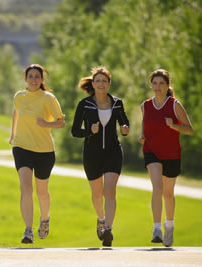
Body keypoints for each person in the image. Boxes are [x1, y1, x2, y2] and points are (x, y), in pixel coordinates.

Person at [71, 66, 129, 247]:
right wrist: (89, 131)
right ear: (93, 84)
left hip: (113, 151)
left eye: (104, 81)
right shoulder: (84, 104)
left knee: (109, 191)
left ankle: (108, 230)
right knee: (97, 194)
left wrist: (125, 128)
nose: (101, 84)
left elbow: (124, 120)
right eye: (98, 81)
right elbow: (74, 131)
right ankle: (101, 219)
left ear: (109, 83)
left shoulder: (117, 103)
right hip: (92, 153)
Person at [9, 64, 65, 244]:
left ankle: (45, 218)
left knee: (42, 192)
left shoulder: (48, 98)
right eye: (30, 76)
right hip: (21, 147)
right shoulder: (19, 96)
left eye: (37, 77)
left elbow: (61, 123)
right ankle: (27, 230)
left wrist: (46, 124)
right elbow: (16, 113)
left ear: (42, 80)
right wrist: (12, 135)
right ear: (25, 78)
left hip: (44, 150)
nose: (33, 79)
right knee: (26, 187)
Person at [139, 69, 193, 247]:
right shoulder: (145, 105)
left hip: (171, 153)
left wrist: (174, 126)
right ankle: (156, 229)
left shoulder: (175, 105)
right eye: (154, 83)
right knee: (157, 187)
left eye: (161, 83)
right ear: (151, 85)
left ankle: (169, 225)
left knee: (168, 194)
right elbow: (144, 125)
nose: (158, 87)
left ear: (168, 85)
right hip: (151, 151)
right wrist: (142, 137)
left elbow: (189, 129)